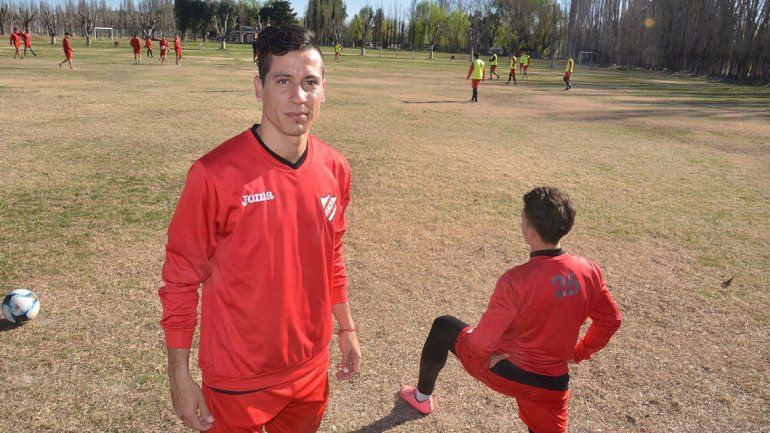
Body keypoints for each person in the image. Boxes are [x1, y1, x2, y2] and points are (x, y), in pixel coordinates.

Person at [158, 25, 361, 433]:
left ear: (324, 91)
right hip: (237, 380)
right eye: (283, 81)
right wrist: (179, 377)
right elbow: (180, 280)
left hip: (309, 370)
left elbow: (331, 256)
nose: (297, 97)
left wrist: (346, 327)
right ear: (259, 86)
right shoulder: (214, 174)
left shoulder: (336, 169)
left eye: (309, 83)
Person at [400, 186, 622, 433]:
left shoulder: (516, 281)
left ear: (529, 230)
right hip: (554, 385)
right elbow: (611, 320)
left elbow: (483, 343)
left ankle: (421, 398)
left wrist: (482, 362)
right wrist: (579, 352)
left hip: (510, 372)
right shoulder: (588, 271)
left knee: (443, 325)